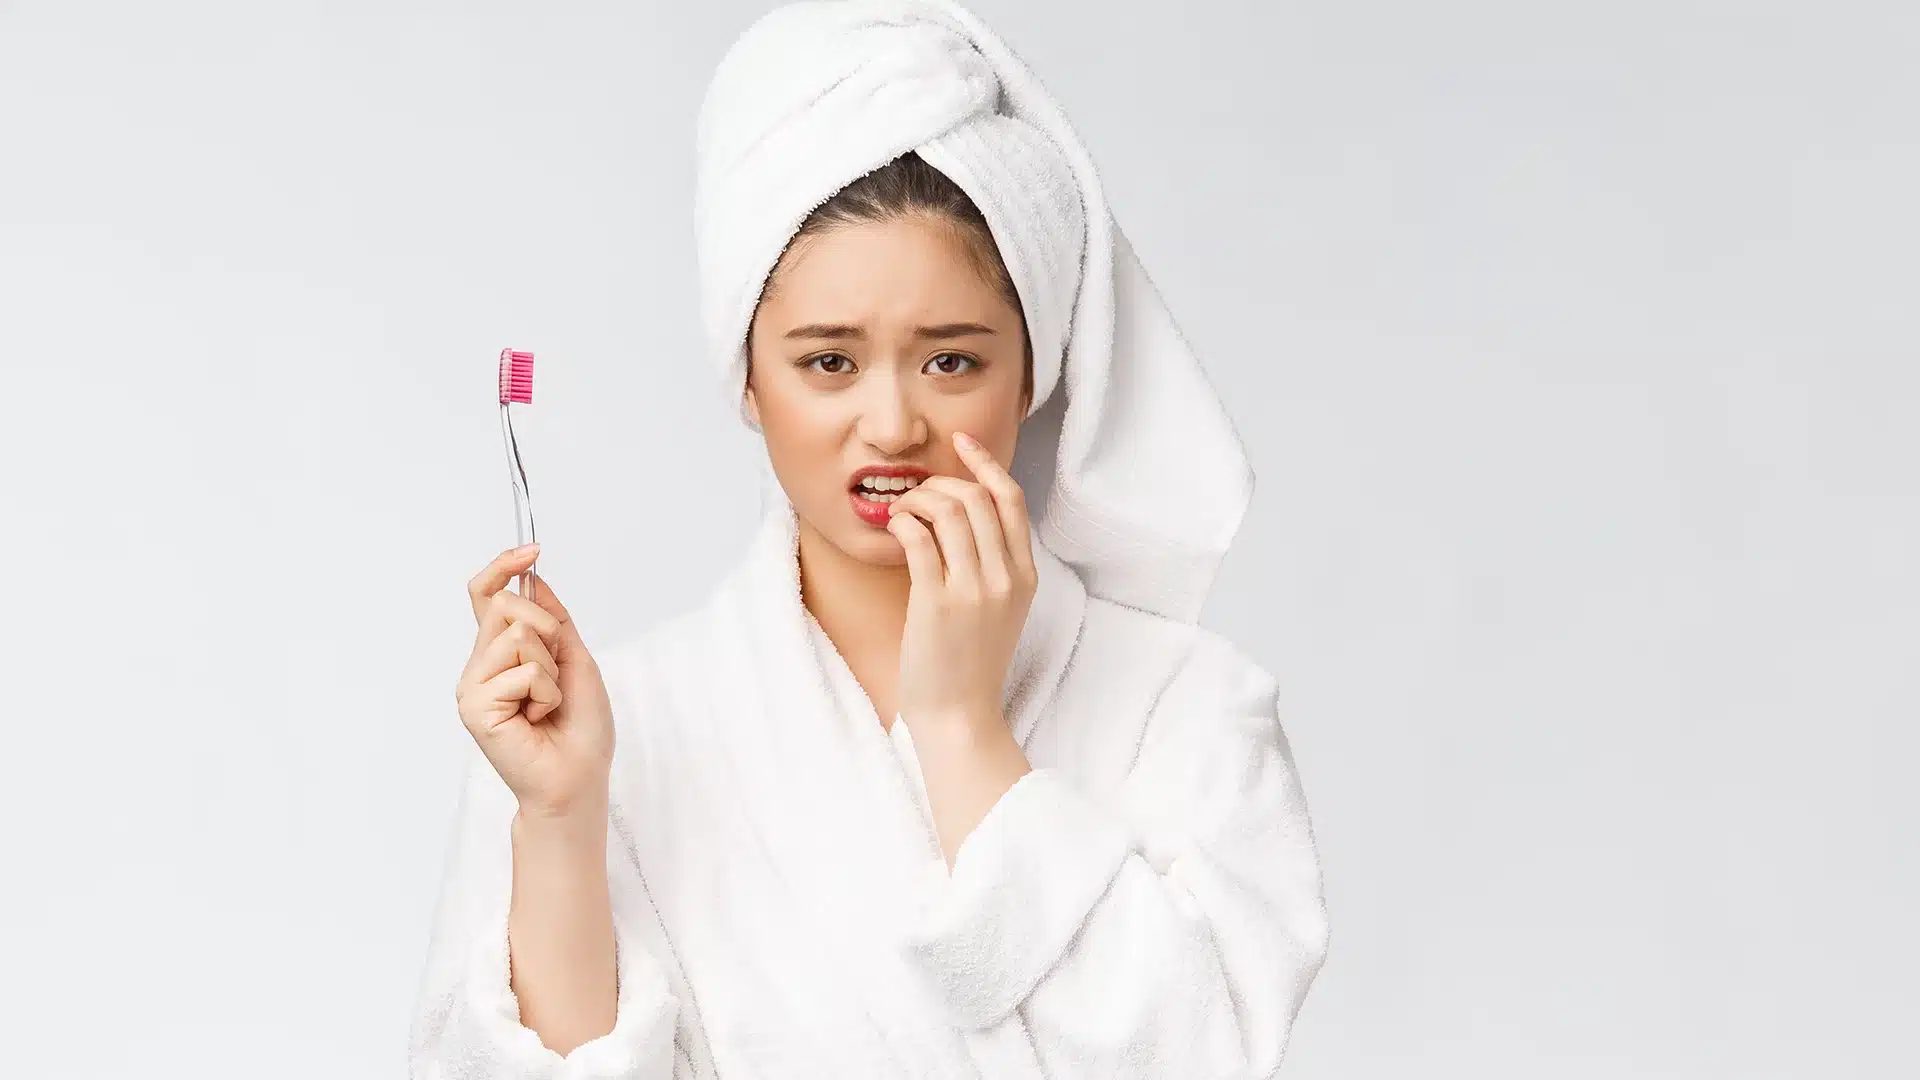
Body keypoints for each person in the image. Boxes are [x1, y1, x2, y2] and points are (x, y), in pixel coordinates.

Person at [409, 2, 1328, 1077]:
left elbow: (1197, 1060)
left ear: (1032, 375)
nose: (891, 426)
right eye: (828, 363)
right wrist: (563, 822)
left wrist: (960, 730)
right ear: (747, 377)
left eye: (951, 361)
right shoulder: (616, 731)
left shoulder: (1189, 710)